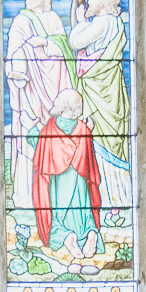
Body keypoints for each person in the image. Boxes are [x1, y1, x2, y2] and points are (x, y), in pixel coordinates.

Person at [5, 0, 72, 203]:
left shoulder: (53, 18)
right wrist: (16, 71)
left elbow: (64, 46)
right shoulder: (21, 21)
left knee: (58, 137)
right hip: (29, 89)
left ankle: (60, 196)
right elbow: (13, 51)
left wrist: (43, 42)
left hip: (56, 85)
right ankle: (25, 196)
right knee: (28, 138)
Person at [67, 0, 132, 209]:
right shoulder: (116, 24)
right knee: (110, 141)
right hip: (111, 91)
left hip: (98, 92)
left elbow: (75, 43)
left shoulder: (102, 22)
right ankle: (116, 200)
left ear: (102, 4)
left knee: (99, 142)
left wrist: (81, 20)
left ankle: (107, 199)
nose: (88, 3)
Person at [31, 89, 103, 263]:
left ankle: (66, 236)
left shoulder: (50, 129)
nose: (54, 101)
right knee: (84, 213)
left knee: (56, 217)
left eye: (58, 100)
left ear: (64, 108)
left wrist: (32, 129)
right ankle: (91, 232)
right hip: (80, 185)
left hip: (58, 185)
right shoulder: (83, 129)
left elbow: (40, 146)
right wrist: (88, 130)